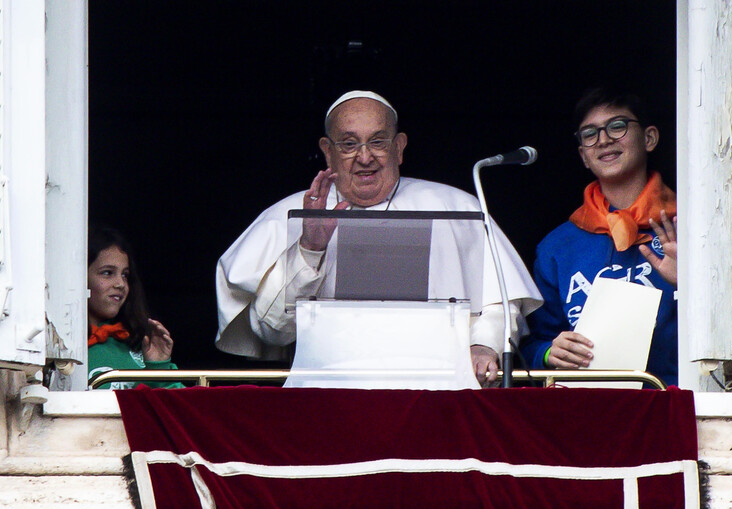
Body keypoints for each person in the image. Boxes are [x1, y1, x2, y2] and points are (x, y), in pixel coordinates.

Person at [215, 90, 542, 385]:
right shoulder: (288, 215)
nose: (365, 156)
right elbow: (272, 332)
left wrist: (483, 344)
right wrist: (308, 249)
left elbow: (501, 301)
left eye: (378, 141)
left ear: (399, 147)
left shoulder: (457, 208)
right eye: (348, 143)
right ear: (327, 152)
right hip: (328, 394)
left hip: (443, 390)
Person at [520, 86, 678, 386]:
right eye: (590, 133)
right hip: (585, 409)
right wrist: (548, 353)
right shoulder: (558, 246)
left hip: (673, 403)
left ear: (649, 138)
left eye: (617, 126)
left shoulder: (691, 228)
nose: (604, 140)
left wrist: (690, 286)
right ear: (583, 155)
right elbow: (530, 344)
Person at [87, 227, 185, 389]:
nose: (120, 284)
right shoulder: (61, 349)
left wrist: (158, 367)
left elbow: (180, 406)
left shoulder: (139, 342)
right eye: (107, 273)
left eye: (125, 274)